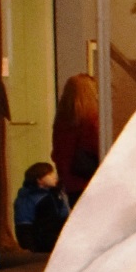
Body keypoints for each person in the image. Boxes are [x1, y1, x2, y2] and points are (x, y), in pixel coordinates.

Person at [52, 74, 100, 206]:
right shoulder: (91, 120)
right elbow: (99, 148)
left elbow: (57, 153)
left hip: (70, 184)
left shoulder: (61, 121)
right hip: (89, 183)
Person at [13, 161, 69, 254]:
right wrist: (30, 248)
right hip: (41, 247)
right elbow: (24, 225)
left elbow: (64, 216)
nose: (55, 176)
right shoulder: (29, 198)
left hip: (58, 244)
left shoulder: (57, 194)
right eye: (50, 174)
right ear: (39, 180)